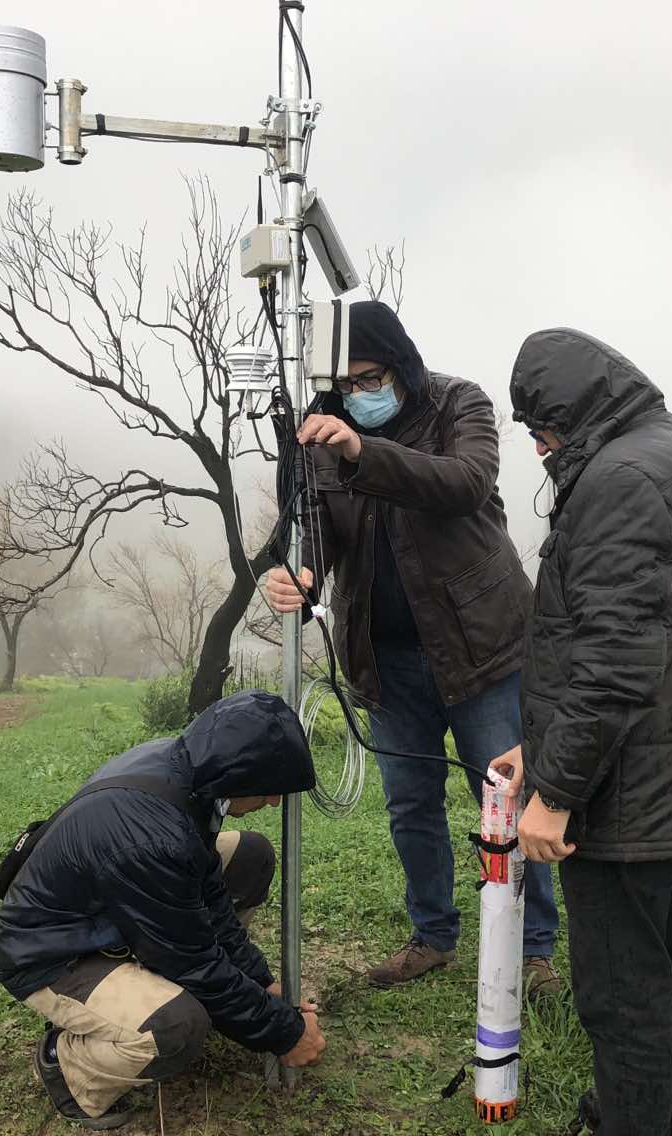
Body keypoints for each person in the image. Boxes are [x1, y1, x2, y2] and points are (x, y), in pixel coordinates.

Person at [492, 328, 672, 1136]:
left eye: (544, 426)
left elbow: (615, 657)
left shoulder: (619, 484)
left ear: (580, 410)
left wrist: (557, 791)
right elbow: (646, 639)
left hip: (627, 790)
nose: (536, 445)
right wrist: (543, 737)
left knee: (622, 992)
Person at [263, 299, 562, 996]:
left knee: (509, 804)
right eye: (347, 384)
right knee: (409, 805)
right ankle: (433, 935)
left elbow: (464, 483)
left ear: (399, 365)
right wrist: (301, 571)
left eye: (371, 379)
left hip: (483, 649)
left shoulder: (459, 404)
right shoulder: (317, 430)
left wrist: (361, 451)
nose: (358, 395)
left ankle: (533, 948)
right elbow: (316, 527)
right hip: (386, 657)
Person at [0, 690, 326, 1130]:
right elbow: (193, 960)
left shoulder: (187, 769)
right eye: (270, 787)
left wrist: (260, 983)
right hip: (53, 952)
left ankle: (150, 991)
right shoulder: (150, 836)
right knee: (177, 1024)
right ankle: (68, 1067)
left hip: (114, 913)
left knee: (249, 854)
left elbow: (207, 896)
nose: (273, 802)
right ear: (239, 774)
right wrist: (283, 1033)